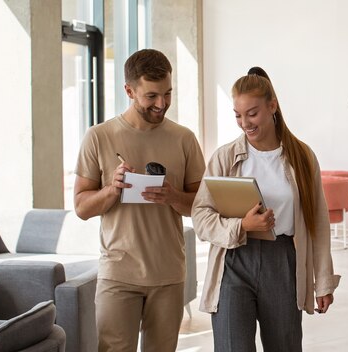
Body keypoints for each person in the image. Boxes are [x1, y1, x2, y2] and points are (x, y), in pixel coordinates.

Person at [192, 67, 340, 352]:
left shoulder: (302, 156)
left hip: (282, 260)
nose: (244, 122)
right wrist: (241, 227)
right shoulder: (224, 157)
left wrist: (323, 282)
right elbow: (201, 216)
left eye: (252, 113)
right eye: (238, 114)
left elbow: (318, 223)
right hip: (233, 261)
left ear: (272, 106)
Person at [74, 48, 206, 351]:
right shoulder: (99, 136)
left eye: (168, 94)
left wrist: (173, 196)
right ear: (129, 90)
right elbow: (81, 207)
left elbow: (203, 206)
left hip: (168, 273)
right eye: (151, 96)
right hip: (118, 273)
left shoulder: (184, 139)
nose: (162, 104)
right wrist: (111, 190)